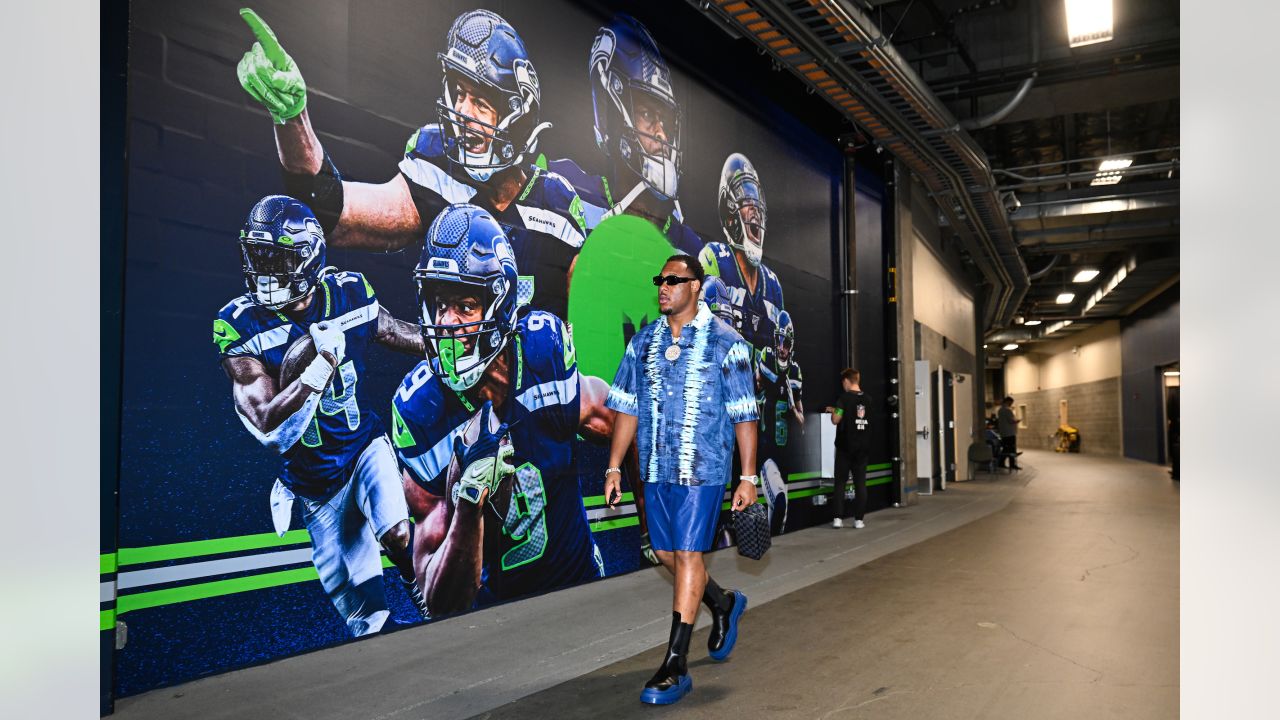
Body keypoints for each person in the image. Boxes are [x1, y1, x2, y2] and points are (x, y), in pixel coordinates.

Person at [235, 8, 587, 318]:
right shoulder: (438, 169)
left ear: (518, 117)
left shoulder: (556, 203)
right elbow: (331, 214)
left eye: (480, 101)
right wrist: (293, 117)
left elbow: (584, 327)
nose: (463, 113)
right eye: (460, 94)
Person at [390, 204, 620, 616]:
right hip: (496, 623)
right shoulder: (420, 410)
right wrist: (468, 503)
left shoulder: (540, 353)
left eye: (464, 305)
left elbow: (620, 419)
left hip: (580, 588)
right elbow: (437, 601)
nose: (446, 324)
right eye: (439, 304)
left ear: (499, 304)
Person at [214, 195, 425, 635]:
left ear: (308, 257)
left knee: (398, 534)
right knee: (365, 617)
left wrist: (451, 339)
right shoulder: (241, 323)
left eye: (277, 258)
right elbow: (268, 424)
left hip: (363, 447)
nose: (264, 269)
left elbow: (397, 331)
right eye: (258, 256)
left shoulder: (347, 293)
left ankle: (419, 587)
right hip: (313, 485)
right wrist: (317, 368)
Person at [603, 254, 760, 705]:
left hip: (704, 468)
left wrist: (747, 477)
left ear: (696, 286)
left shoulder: (726, 343)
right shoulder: (644, 343)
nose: (664, 286)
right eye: (661, 279)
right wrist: (615, 466)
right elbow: (626, 405)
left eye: (675, 280)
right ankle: (722, 602)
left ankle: (675, 663)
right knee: (666, 552)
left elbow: (744, 414)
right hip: (655, 468)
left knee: (689, 553)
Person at [548, 14, 704, 257]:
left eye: (665, 121)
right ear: (611, 115)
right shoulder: (566, 191)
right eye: (646, 114)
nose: (662, 134)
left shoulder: (690, 246)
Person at [698, 153, 785, 352]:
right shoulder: (714, 258)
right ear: (730, 215)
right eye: (747, 199)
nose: (755, 208)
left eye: (757, 200)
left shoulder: (773, 284)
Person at [824, 369, 871, 529]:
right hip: (863, 448)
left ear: (846, 381)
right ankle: (859, 520)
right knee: (860, 484)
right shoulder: (868, 400)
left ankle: (838, 519)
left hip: (845, 448)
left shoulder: (843, 399)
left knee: (840, 483)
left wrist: (834, 411)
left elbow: (836, 419)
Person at [997, 396, 1021, 469]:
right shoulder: (1007, 410)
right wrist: (1017, 421)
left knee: (1005, 448)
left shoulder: (1000, 410)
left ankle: (1001, 463)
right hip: (1010, 433)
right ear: (1008, 401)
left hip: (1003, 433)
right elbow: (1011, 421)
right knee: (1012, 449)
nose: (1011, 404)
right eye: (1011, 402)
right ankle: (1012, 464)